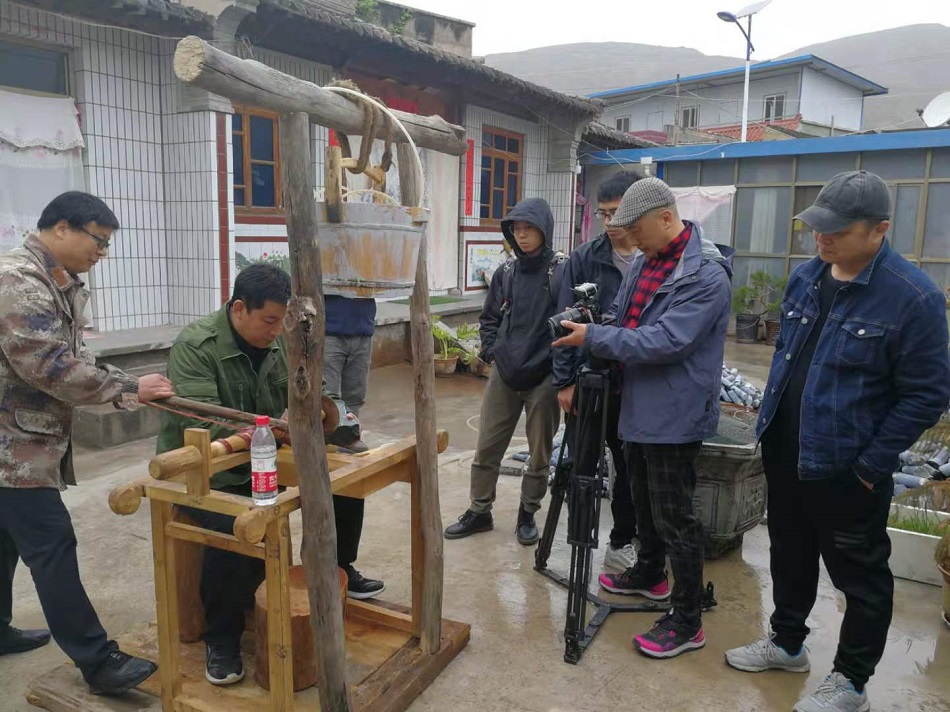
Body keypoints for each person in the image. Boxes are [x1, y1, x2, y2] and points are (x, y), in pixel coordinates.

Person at [725, 170, 950, 712]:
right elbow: (788, 360)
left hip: (848, 466)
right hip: (785, 451)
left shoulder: (913, 298)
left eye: (837, 231)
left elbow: (926, 395)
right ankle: (786, 643)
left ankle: (850, 680)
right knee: (790, 554)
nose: (822, 239)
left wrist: (872, 465)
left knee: (860, 575)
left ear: (879, 230)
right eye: (817, 228)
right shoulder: (807, 277)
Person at [157, 263, 384, 686]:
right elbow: (204, 427)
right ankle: (221, 638)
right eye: (269, 320)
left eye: (282, 321)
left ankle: (339, 568)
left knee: (346, 481)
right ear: (240, 308)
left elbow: (313, 387)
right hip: (206, 474)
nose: (277, 331)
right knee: (237, 523)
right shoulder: (196, 345)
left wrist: (332, 412)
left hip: (263, 459)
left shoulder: (278, 340)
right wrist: (272, 429)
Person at [0, 192, 174, 695]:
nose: (103, 252)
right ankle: (98, 663)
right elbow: (47, 365)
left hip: (20, 437)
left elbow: (71, 355)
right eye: (98, 240)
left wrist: (131, 380)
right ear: (60, 229)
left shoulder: (56, 281)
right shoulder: (19, 280)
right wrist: (127, 390)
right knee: (51, 545)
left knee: (5, 540)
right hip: (10, 447)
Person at [554, 177, 732, 659]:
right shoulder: (644, 262)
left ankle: (687, 617)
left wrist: (592, 338)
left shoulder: (706, 277)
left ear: (666, 219)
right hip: (635, 402)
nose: (628, 239)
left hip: (674, 412)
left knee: (676, 516)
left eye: (635, 229)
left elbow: (666, 341)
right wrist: (596, 325)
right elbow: (624, 318)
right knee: (642, 501)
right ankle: (651, 572)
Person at [444, 198, 563, 545]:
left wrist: (558, 371)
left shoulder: (561, 271)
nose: (522, 236)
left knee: (540, 453)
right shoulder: (506, 273)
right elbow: (490, 317)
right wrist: (492, 351)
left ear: (544, 230)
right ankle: (480, 511)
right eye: (516, 230)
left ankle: (528, 513)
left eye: (529, 229)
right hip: (504, 375)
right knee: (487, 446)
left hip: (544, 377)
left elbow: (571, 320)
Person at [553, 170, 643, 574]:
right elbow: (562, 325)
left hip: (638, 384)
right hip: (589, 381)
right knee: (582, 463)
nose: (610, 223)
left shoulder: (653, 258)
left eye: (617, 213)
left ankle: (622, 540)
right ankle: (579, 539)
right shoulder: (584, 257)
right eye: (603, 214)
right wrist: (566, 382)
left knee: (630, 468)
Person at [323, 294, 375, 452]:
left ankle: (349, 438)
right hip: (329, 332)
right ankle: (325, 444)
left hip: (363, 330)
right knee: (326, 396)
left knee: (355, 395)